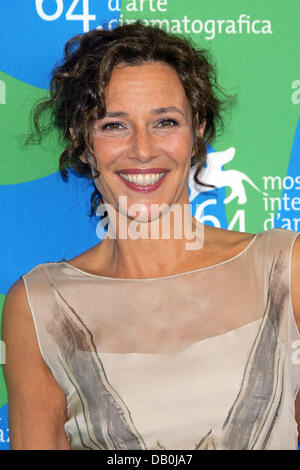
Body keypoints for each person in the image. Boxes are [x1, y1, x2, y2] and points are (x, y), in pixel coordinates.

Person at [2, 22, 300, 450]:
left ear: (197, 133)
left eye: (165, 122)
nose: (143, 150)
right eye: (113, 125)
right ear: (82, 142)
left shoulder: (284, 268)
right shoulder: (39, 305)